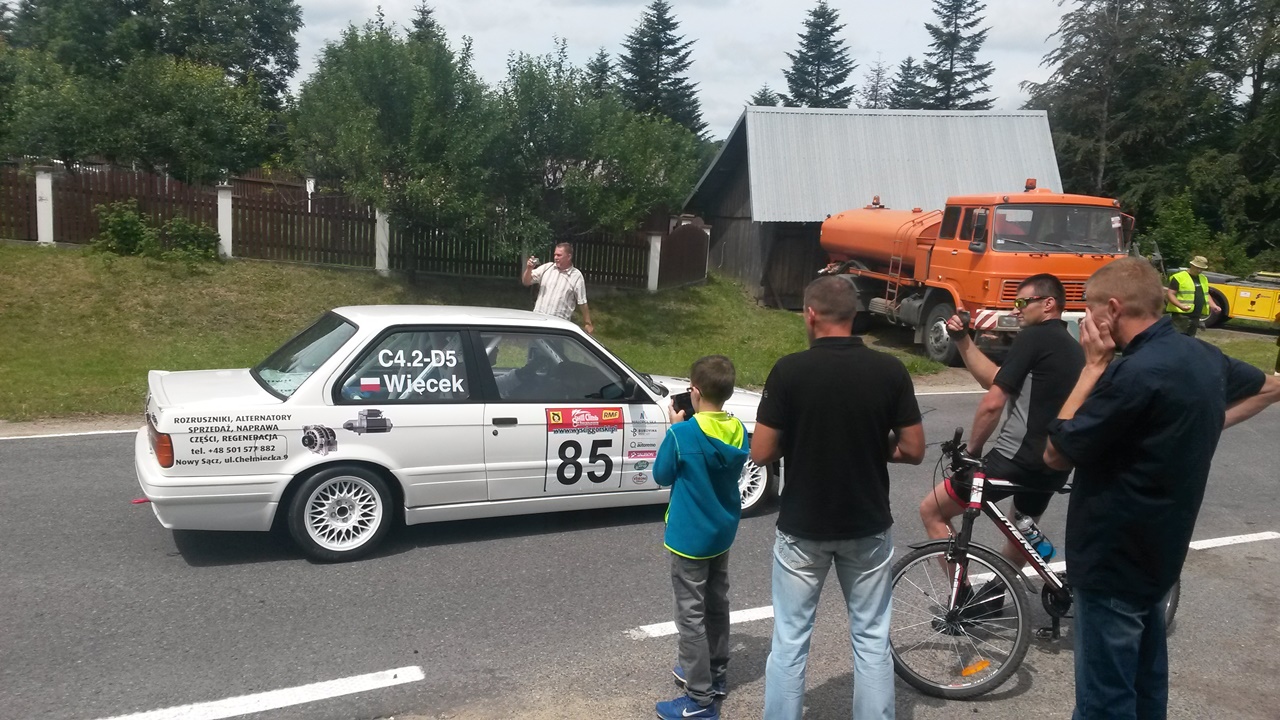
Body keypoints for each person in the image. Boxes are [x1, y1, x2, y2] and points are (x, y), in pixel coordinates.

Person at [1044, 257, 1280, 720]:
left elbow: (1055, 453)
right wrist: (1203, 425)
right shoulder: (1202, 355)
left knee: (1105, 699)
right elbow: (1270, 387)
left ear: (1113, 309)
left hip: (1112, 556)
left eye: (1088, 308)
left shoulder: (1130, 374)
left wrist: (1091, 368)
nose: (1084, 319)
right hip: (1161, 551)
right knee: (1146, 687)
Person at [752, 276, 925, 720]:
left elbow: (762, 452)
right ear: (854, 314)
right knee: (871, 638)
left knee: (790, 640)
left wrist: (803, 437)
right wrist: (872, 441)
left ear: (811, 314)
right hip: (867, 523)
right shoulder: (890, 370)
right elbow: (913, 449)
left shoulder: (788, 371)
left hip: (803, 526)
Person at [918, 274, 1083, 585]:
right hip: (1054, 463)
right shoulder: (1071, 348)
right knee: (1020, 532)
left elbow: (993, 402)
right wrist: (962, 339)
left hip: (1014, 458)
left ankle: (963, 597)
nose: (1016, 309)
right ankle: (994, 596)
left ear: (1048, 304)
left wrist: (971, 452)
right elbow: (996, 378)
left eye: (1023, 302)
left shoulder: (1033, 338)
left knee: (933, 510)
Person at [653, 355, 750, 720]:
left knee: (690, 615)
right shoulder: (737, 428)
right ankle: (716, 672)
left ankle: (699, 698)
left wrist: (673, 428)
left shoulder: (682, 434)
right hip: (721, 532)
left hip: (688, 538)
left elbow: (662, 474)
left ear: (694, 391)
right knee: (716, 602)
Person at [521, 242, 594, 334]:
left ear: (569, 256)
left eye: (559, 255)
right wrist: (529, 269)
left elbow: (582, 302)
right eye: (555, 255)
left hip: (559, 327)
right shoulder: (547, 268)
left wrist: (588, 323)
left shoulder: (576, 276)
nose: (555, 257)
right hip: (539, 322)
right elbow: (526, 282)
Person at [1164, 255, 1220, 337]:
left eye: (1201, 269)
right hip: (1181, 316)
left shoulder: (1203, 278)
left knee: (1190, 339)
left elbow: (1205, 294)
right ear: (1191, 265)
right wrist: (1180, 305)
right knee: (1177, 338)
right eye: (1197, 268)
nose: (1199, 270)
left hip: (1196, 315)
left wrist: (1213, 305)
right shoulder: (1179, 277)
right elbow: (1170, 294)